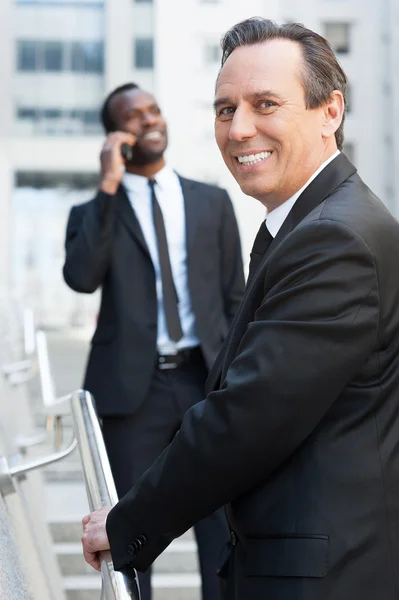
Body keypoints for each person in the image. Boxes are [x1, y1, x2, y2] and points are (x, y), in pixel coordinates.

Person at [81, 18, 399, 600]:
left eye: (266, 103)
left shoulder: (337, 239)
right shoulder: (300, 226)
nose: (239, 129)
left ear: (331, 112)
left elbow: (250, 415)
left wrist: (128, 522)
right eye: (225, 109)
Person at [63, 82, 245, 600]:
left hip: (205, 383)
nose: (149, 120)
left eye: (154, 110)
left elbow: (235, 299)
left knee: (222, 531)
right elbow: (81, 276)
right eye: (133, 116)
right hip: (130, 395)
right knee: (129, 536)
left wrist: (235, 378)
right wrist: (108, 182)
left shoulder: (211, 202)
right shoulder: (96, 210)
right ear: (115, 135)